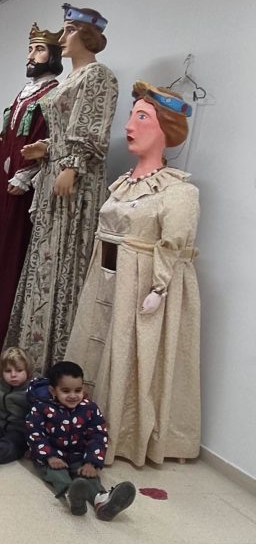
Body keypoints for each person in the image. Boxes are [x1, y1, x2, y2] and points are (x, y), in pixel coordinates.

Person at [65, 81, 200, 465]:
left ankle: (121, 434)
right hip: (105, 279)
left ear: (165, 129)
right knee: (94, 349)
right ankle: (75, 421)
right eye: (131, 116)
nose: (129, 126)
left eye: (142, 117)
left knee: (127, 357)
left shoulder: (178, 192)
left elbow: (173, 246)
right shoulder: (123, 184)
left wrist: (159, 287)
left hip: (138, 286)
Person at [7, 4, 118, 374]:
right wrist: (45, 149)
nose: (63, 37)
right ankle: (32, 357)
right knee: (45, 260)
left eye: (70, 30)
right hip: (54, 176)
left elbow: (91, 129)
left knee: (65, 261)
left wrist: (72, 165)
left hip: (75, 183)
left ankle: (59, 362)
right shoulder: (71, 78)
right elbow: (63, 131)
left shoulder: (98, 75)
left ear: (87, 35)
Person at [0, 24, 63, 344]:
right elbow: (15, 136)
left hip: (22, 189)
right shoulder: (23, 93)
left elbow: (53, 142)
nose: (31, 56)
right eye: (30, 49)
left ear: (54, 55)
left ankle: (1, 326)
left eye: (39, 49)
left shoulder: (54, 95)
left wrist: (28, 174)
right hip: (2, 183)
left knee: (12, 249)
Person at [27, 361, 136, 520]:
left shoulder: (90, 408)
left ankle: (102, 501)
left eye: (78, 390)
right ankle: (72, 496)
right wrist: (49, 456)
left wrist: (91, 462)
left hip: (79, 456)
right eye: (66, 391)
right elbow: (35, 433)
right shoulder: (41, 408)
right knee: (58, 474)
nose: (73, 395)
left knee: (88, 477)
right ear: (53, 391)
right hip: (52, 457)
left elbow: (98, 434)